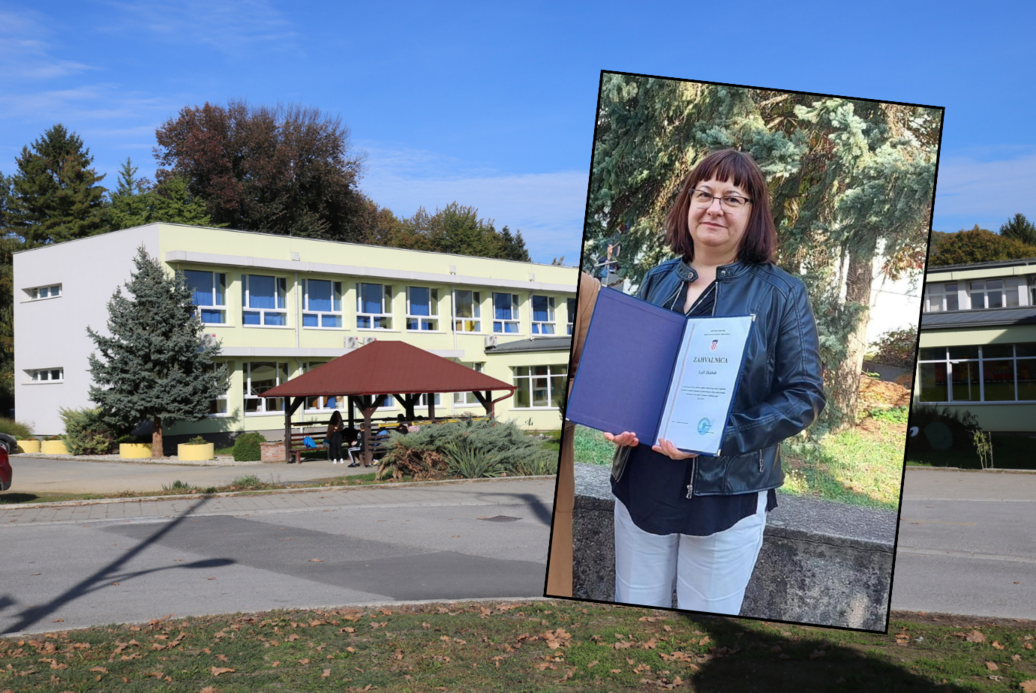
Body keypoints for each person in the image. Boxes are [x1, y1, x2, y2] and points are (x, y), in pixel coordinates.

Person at [604, 149, 826, 615]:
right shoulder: (658, 279)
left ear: (753, 214)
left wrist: (717, 437)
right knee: (633, 617)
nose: (715, 207)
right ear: (688, 203)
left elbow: (803, 395)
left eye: (733, 198)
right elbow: (636, 371)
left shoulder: (781, 292)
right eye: (704, 193)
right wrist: (618, 415)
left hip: (728, 490)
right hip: (645, 481)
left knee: (706, 626)